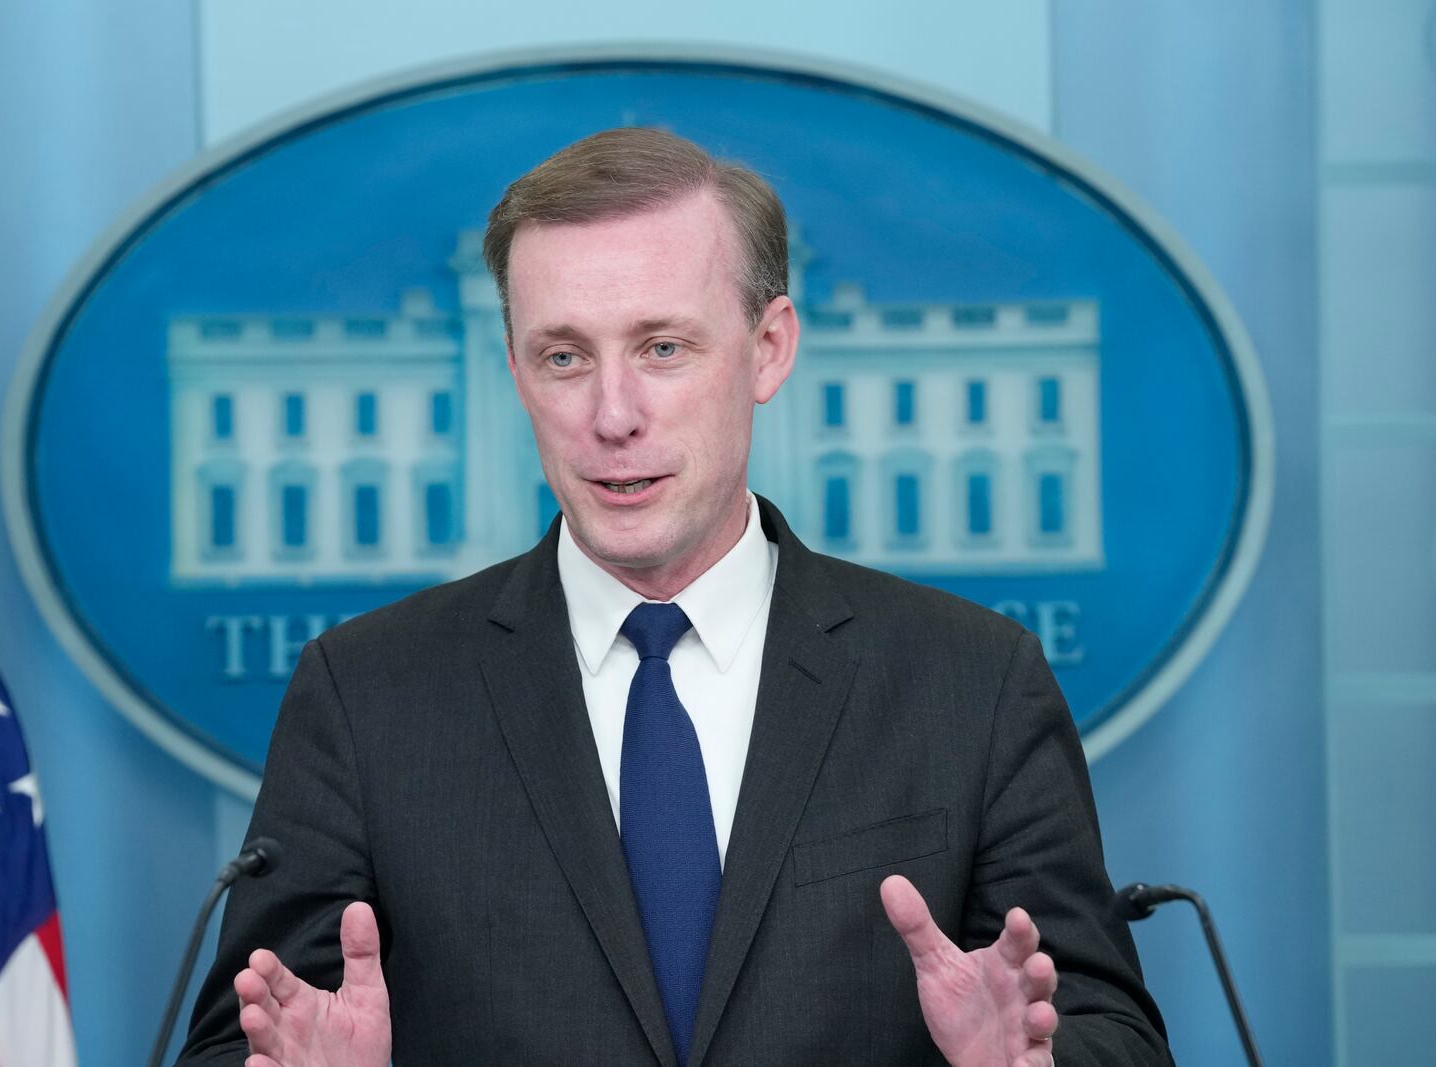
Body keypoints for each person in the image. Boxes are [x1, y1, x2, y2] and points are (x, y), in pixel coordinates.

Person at [178, 128, 1172, 1066]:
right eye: (563, 356)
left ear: (769, 348)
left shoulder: (972, 682)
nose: (612, 414)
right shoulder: (367, 695)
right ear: (516, 371)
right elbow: (244, 1039)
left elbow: (1111, 1032)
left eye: (662, 348)